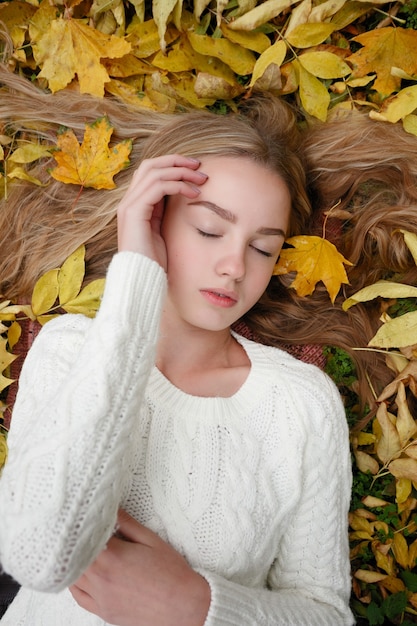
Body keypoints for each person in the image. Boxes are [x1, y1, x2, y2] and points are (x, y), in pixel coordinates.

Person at [0, 63, 354, 625]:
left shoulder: (302, 405)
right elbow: (39, 557)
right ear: (154, 219)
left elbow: (327, 613)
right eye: (210, 230)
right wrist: (135, 274)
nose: (235, 266)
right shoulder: (70, 349)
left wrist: (197, 607)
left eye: (263, 248)